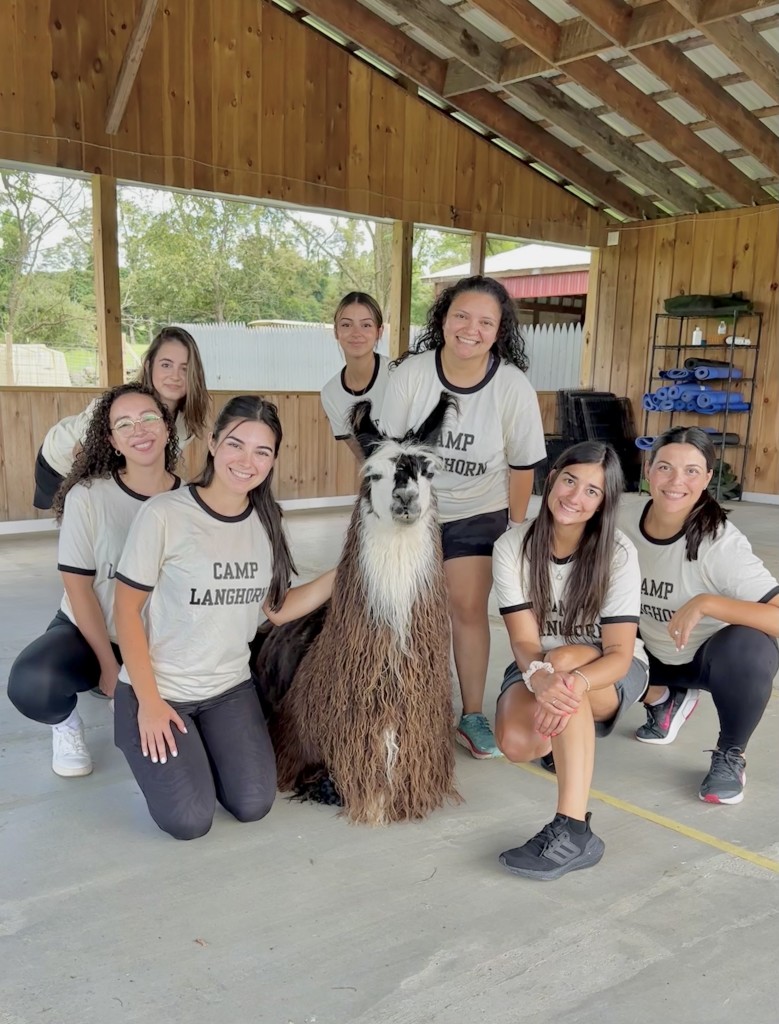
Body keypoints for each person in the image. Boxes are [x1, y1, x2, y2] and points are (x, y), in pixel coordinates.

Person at [113, 396, 336, 840]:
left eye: (262, 451)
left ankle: (200, 748)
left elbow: (276, 609)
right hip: (162, 690)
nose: (246, 461)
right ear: (213, 444)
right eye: (236, 444)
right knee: (190, 820)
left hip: (228, 690)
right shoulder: (165, 515)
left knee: (253, 803)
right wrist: (150, 705)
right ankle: (143, 736)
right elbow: (126, 610)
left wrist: (344, 570)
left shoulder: (267, 522)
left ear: (272, 461)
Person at [380, 275, 546, 758]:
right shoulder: (412, 374)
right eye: (462, 316)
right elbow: (389, 453)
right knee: (406, 608)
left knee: (467, 606)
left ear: (499, 330)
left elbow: (523, 466)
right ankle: (405, 705)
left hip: (479, 510)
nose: (471, 329)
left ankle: (471, 714)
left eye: (485, 322)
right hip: (415, 509)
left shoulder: (511, 386)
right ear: (444, 319)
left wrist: (515, 529)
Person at [8, 383, 181, 778]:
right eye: (124, 424)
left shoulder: (190, 499)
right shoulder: (87, 496)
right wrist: (108, 665)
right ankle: (66, 723)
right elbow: (78, 588)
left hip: (157, 640)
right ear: (112, 440)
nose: (139, 429)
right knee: (33, 683)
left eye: (149, 417)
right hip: (92, 632)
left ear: (167, 427)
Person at [492, 442, 648, 880]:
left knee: (564, 669)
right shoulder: (512, 546)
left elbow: (619, 654)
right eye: (570, 481)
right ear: (553, 477)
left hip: (607, 670)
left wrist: (569, 679)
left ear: (603, 503)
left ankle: (574, 830)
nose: (575, 497)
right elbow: (524, 641)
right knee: (517, 744)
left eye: (592, 492)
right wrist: (539, 674)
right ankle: (565, 740)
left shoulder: (617, 553)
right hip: (539, 662)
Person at [622, 426, 779, 805]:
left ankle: (731, 753)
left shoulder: (720, 543)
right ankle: (663, 700)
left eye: (691, 471)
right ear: (648, 469)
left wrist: (708, 603)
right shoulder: (621, 520)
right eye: (665, 467)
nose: (676, 481)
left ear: (708, 477)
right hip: (646, 653)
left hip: (705, 661)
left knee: (751, 645)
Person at [33, 326, 209, 510]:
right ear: (149, 366)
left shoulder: (186, 424)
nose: (175, 376)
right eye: (166, 365)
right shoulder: (116, 405)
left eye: (185, 368)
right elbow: (82, 458)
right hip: (60, 462)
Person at [320, 292, 390, 462]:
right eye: (346, 325)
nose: (356, 333)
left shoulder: (399, 375)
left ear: (379, 332)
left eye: (366, 325)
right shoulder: (331, 394)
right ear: (336, 331)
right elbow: (365, 458)